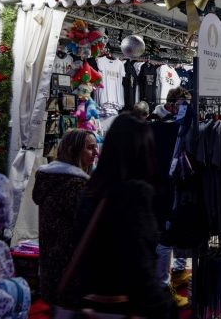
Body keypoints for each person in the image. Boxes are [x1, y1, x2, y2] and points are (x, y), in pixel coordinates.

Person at [73, 113, 177, 318]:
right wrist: (165, 307)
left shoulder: (93, 189)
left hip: (90, 304)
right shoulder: (134, 195)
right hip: (121, 306)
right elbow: (140, 270)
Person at [32, 129, 98, 307]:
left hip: (51, 266)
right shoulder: (77, 185)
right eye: (90, 148)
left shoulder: (49, 179)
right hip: (72, 269)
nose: (96, 153)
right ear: (72, 151)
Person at [151, 87, 192, 309]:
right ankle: (163, 288)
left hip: (175, 184)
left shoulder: (179, 123)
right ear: (172, 104)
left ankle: (177, 272)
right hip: (161, 186)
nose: (186, 109)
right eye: (183, 105)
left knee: (175, 229)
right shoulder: (157, 124)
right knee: (165, 237)